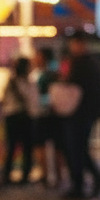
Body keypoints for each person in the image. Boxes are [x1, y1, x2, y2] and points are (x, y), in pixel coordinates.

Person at [60, 31, 100, 200]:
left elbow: (74, 88)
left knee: (76, 148)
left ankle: (80, 185)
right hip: (84, 113)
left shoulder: (83, 64)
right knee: (78, 149)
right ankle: (92, 178)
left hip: (80, 113)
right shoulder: (88, 63)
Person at [31, 46, 66, 187]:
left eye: (37, 55)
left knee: (41, 144)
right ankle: (58, 176)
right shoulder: (57, 71)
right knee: (57, 145)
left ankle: (46, 175)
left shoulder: (42, 75)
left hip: (44, 113)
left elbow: (40, 96)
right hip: (57, 113)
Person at [1, 56, 37, 184]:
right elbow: (33, 100)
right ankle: (24, 174)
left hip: (12, 116)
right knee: (25, 147)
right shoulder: (26, 82)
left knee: (12, 146)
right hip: (24, 117)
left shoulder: (13, 81)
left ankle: (8, 174)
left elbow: (4, 98)